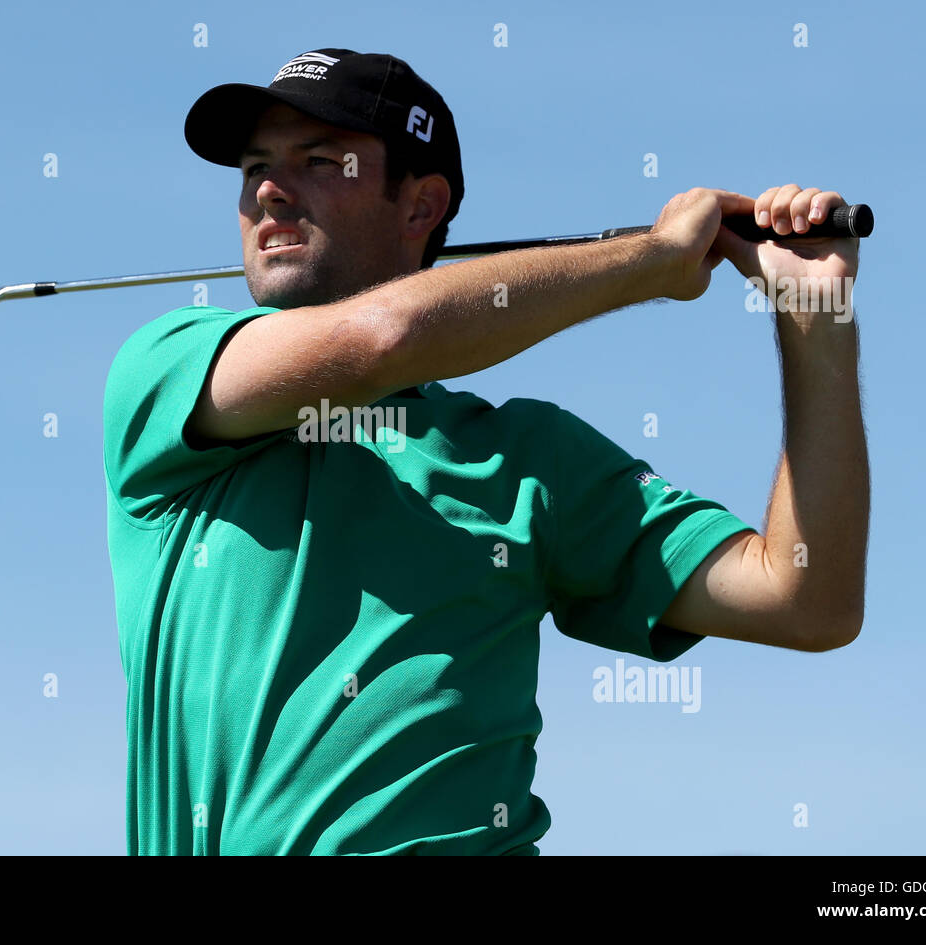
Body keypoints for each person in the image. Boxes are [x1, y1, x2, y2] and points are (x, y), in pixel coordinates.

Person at [103, 48, 869, 855]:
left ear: (420, 207)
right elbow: (381, 338)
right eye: (255, 166)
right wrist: (651, 262)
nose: (267, 188)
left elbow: (805, 599)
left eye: (320, 160)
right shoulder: (169, 368)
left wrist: (814, 324)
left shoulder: (525, 455)